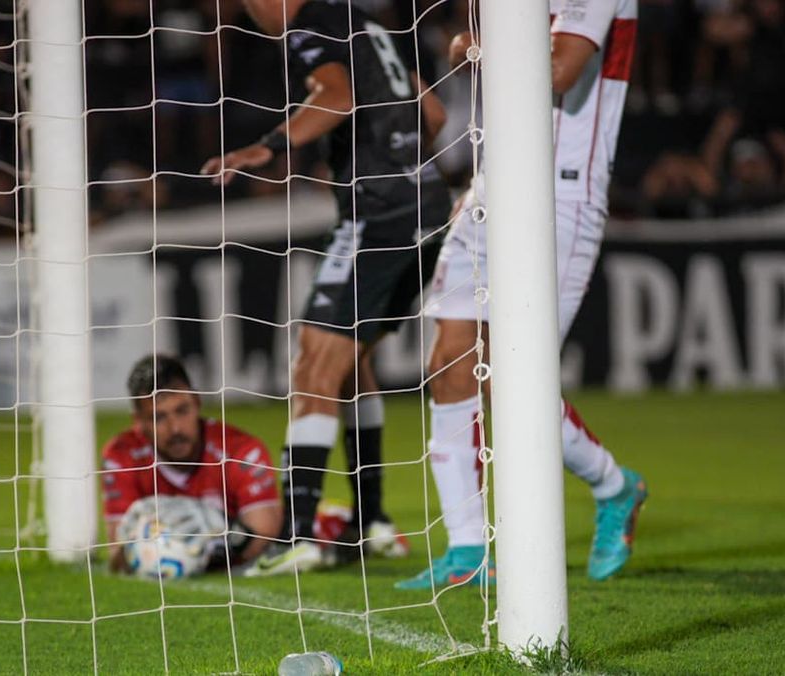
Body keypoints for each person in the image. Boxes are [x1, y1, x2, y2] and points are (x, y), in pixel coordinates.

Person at [396, 0, 648, 590]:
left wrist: (473, 47)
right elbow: (470, 49)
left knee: (514, 377)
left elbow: (559, 70)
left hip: (561, 200)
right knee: (449, 363)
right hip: (492, 186)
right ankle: (466, 551)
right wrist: (471, 45)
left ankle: (615, 486)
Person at [200, 0, 453, 575]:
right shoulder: (367, 22)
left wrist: (270, 146)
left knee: (314, 362)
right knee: (350, 362)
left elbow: (337, 97)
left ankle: (298, 536)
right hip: (425, 204)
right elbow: (432, 114)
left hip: (379, 215)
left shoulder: (311, 25)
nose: (247, 13)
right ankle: (372, 521)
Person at [102, 354, 283, 573]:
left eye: (182, 411)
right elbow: (117, 555)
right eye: (159, 417)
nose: (175, 428)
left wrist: (211, 536)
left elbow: (265, 534)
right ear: (139, 422)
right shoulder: (122, 456)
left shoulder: (241, 450)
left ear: (197, 403)